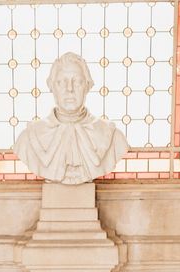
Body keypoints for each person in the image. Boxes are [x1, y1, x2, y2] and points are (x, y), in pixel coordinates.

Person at [13, 52, 128, 184]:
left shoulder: (113, 137)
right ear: (52, 86)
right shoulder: (28, 138)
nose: (70, 89)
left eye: (77, 82)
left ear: (87, 86)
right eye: (61, 82)